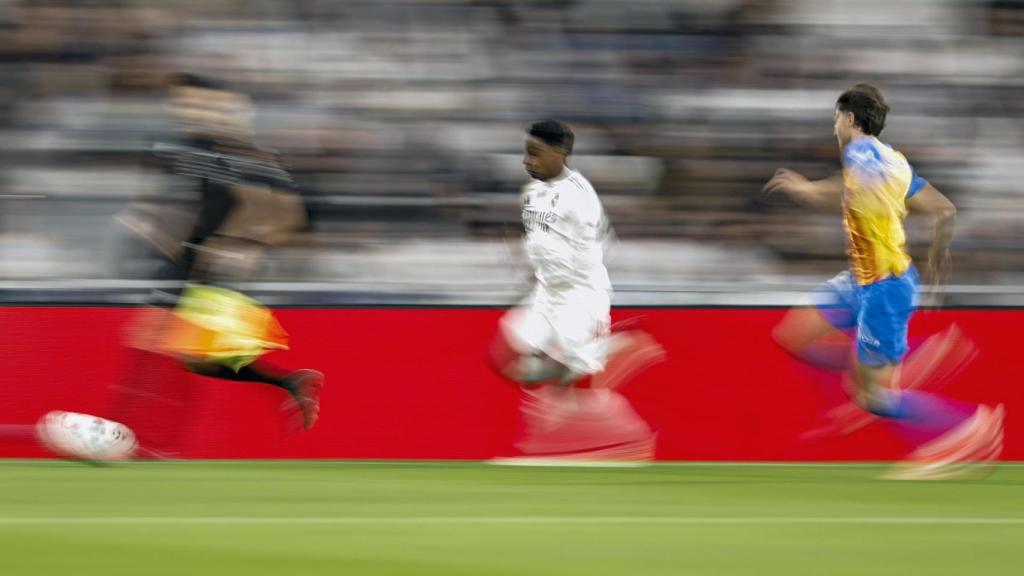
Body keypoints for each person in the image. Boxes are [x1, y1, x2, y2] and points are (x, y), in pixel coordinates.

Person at [763, 83, 1003, 479]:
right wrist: (937, 265)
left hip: (884, 287)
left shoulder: (860, 153)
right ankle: (887, 362)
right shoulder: (895, 161)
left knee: (875, 399)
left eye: (836, 118)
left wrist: (806, 189)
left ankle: (969, 427)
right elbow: (944, 210)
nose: (835, 126)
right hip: (864, 279)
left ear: (851, 119)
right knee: (792, 334)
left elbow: (849, 187)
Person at [109, 73, 323, 457]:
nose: (188, 110)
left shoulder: (236, 153)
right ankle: (288, 383)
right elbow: (174, 198)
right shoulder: (181, 148)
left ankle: (143, 439)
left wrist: (245, 245)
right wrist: (144, 217)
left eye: (196, 103)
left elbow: (280, 210)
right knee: (195, 358)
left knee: (157, 342)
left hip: (205, 261)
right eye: (182, 103)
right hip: (189, 257)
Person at [488, 120, 662, 462]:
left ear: (561, 153)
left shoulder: (579, 197)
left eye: (535, 154)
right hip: (546, 292)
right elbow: (540, 242)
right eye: (526, 152)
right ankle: (591, 382)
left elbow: (594, 253)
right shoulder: (531, 193)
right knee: (505, 360)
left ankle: (619, 421)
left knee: (555, 375)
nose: (527, 161)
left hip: (579, 294)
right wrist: (529, 269)